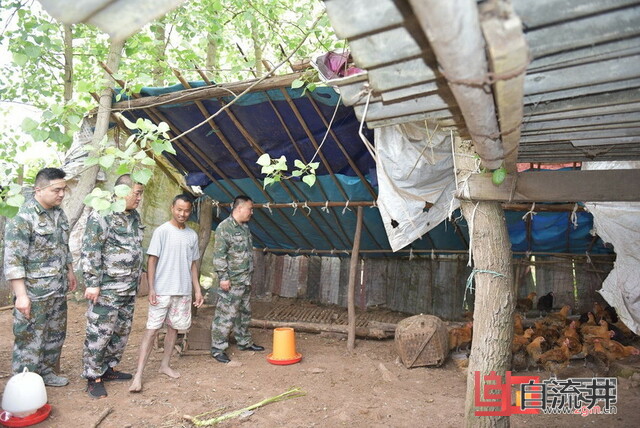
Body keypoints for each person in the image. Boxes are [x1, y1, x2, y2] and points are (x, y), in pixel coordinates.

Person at [3, 167, 77, 386]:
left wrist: (70, 271)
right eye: (56, 190)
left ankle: (46, 373)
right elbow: (14, 260)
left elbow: (64, 246)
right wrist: (21, 296)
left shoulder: (58, 214)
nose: (61, 194)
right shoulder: (23, 217)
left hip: (57, 289)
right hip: (34, 293)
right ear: (39, 190)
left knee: (55, 335)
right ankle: (24, 383)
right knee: (29, 339)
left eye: (63, 189)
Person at [129, 194, 203, 392]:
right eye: (179, 209)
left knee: (173, 329)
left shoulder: (192, 235)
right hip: (162, 290)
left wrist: (197, 290)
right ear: (172, 208)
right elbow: (152, 261)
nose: (182, 214)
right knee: (152, 330)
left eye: (186, 211)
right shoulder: (162, 231)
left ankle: (165, 365)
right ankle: (138, 375)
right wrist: (152, 288)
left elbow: (193, 265)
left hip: (183, 291)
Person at [80, 174, 145, 399]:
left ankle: (107, 368)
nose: (139, 198)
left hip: (128, 287)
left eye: (141, 194)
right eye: (137, 193)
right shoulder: (102, 214)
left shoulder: (134, 216)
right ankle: (93, 377)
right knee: (100, 332)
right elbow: (91, 249)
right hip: (107, 288)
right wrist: (92, 283)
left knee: (120, 332)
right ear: (122, 192)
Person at [210, 195, 264, 364]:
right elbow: (219, 255)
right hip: (231, 281)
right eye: (250, 208)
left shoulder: (244, 228)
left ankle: (244, 342)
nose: (251, 212)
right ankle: (218, 348)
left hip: (244, 280)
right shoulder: (224, 228)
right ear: (239, 208)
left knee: (244, 313)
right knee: (225, 315)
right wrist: (223, 277)